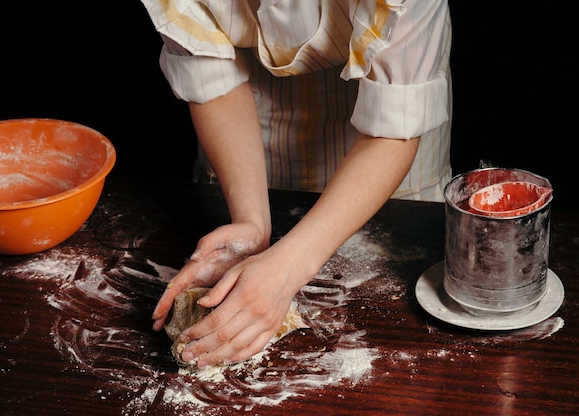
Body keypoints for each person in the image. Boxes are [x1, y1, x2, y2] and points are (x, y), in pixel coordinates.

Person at [140, 0, 452, 368]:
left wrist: (286, 267)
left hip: (386, 153)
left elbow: (392, 127)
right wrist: (251, 224)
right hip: (252, 130)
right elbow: (212, 79)